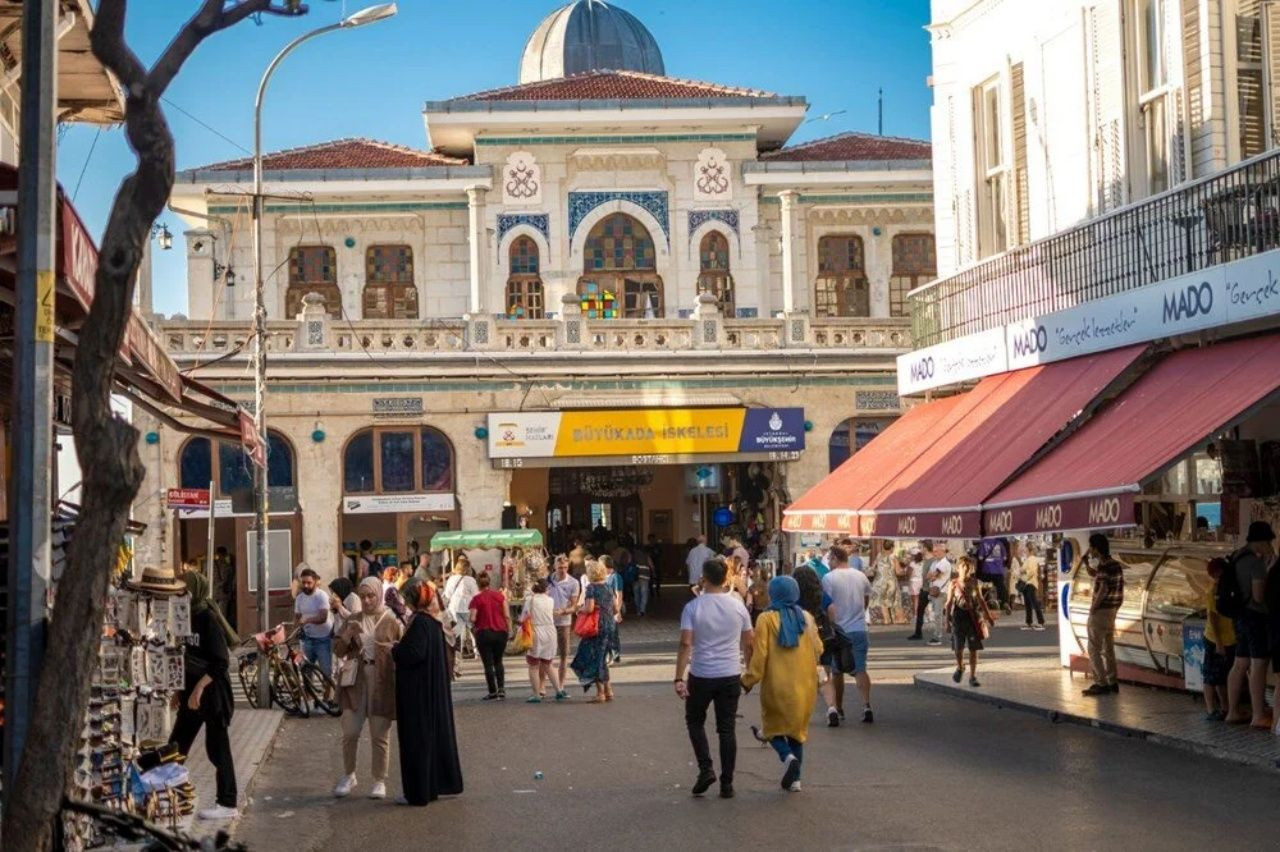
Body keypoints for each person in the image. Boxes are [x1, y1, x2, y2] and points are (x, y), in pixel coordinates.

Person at [674, 558, 753, 799]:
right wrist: (748, 670)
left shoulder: (693, 608)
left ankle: (706, 768)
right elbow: (749, 642)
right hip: (730, 673)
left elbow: (686, 643)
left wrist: (679, 677)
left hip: (702, 673)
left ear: (704, 578)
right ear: (726, 578)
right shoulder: (738, 606)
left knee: (695, 721)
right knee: (726, 729)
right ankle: (727, 783)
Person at [741, 575, 822, 793]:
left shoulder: (766, 619)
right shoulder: (806, 617)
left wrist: (748, 680)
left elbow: (760, 655)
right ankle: (796, 780)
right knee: (797, 732)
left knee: (773, 728)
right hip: (805, 685)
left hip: (777, 684)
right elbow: (819, 648)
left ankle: (787, 757)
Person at [170, 573, 239, 820]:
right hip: (190, 695)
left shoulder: (207, 619)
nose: (179, 594)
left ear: (194, 591)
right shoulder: (184, 616)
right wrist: (180, 689)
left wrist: (198, 689)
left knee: (217, 750)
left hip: (213, 696)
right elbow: (185, 655)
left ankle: (228, 804)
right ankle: (168, 797)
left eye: (183, 590)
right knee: (175, 747)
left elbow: (221, 662)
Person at [393, 579, 464, 807]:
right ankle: (429, 787)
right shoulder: (431, 623)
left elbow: (413, 654)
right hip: (428, 691)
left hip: (417, 695)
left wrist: (395, 649)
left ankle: (418, 792)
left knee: (418, 742)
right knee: (429, 740)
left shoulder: (421, 623)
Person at [332, 576, 402, 799]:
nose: (367, 601)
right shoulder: (352, 619)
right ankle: (349, 774)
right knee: (350, 731)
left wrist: (391, 648)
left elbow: (404, 649)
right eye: (363, 597)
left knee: (379, 734)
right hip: (356, 681)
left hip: (381, 680)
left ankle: (379, 780)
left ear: (379, 595)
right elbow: (338, 650)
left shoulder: (391, 620)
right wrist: (347, 635)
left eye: (371, 595)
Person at [1225, 521, 1274, 726]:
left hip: (1239, 617)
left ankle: (1232, 711)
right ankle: (1258, 715)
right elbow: (1259, 596)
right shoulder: (1255, 563)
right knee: (1258, 663)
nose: (1271, 545)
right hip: (1255, 618)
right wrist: (1268, 570)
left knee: (1240, 663)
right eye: (1269, 541)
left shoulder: (1237, 555)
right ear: (1261, 541)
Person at [821, 545, 875, 724]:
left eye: (830, 559)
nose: (828, 562)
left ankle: (839, 707)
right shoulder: (861, 576)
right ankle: (866, 705)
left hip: (838, 630)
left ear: (836, 558)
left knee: (837, 671)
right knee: (860, 668)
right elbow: (866, 598)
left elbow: (827, 604)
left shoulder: (828, 578)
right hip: (859, 628)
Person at [793, 561, 840, 726]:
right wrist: (831, 624)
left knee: (801, 677)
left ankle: (801, 712)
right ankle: (832, 708)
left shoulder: (794, 596)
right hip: (823, 637)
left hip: (802, 639)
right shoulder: (821, 594)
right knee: (825, 676)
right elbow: (832, 610)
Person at [1082, 533, 1125, 697]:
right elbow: (1097, 576)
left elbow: (1103, 588)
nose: (1090, 550)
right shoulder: (1114, 564)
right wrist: (1086, 563)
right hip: (1112, 611)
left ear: (1096, 548)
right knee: (1108, 648)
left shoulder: (1104, 567)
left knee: (1093, 648)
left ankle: (1101, 683)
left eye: (1091, 547)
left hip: (1101, 611)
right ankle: (1113, 682)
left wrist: (1093, 607)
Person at [570, 560, 616, 702]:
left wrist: (579, 609)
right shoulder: (608, 587)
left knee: (593, 658)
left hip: (596, 627)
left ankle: (600, 693)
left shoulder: (591, 588)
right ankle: (609, 691)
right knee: (602, 658)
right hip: (609, 625)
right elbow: (616, 607)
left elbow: (589, 608)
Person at [945, 556, 995, 687]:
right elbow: (949, 603)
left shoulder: (974, 583)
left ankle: (973, 676)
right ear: (958, 568)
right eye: (963, 566)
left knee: (973, 648)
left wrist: (988, 617)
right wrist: (946, 622)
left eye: (969, 566)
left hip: (972, 617)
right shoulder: (953, 583)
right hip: (958, 617)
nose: (966, 569)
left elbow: (981, 600)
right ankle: (960, 666)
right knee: (958, 648)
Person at [1202, 557, 1236, 721]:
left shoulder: (1227, 589)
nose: (1218, 579)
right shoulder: (1213, 592)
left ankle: (1225, 707)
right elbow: (1213, 619)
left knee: (1223, 676)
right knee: (1211, 675)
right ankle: (1210, 709)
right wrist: (1219, 643)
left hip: (1229, 639)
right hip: (1215, 639)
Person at [468, 572, 510, 700]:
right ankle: (502, 689)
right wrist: (508, 629)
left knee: (488, 663)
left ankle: (492, 691)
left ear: (477, 584)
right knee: (498, 661)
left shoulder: (476, 599)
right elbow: (507, 615)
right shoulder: (500, 597)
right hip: (500, 632)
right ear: (489, 582)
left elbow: (473, 618)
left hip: (483, 633)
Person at [520, 578, 560, 702]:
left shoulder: (530, 600)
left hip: (536, 632)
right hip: (550, 631)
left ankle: (536, 694)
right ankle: (559, 690)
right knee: (548, 663)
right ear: (546, 589)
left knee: (533, 665)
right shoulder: (551, 600)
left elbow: (523, 617)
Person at [546, 555, 581, 694]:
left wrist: (564, 611)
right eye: (560, 567)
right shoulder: (547, 580)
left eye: (565, 567)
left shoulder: (573, 583)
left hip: (564, 622)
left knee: (564, 655)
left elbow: (574, 607)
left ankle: (560, 686)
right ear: (554, 567)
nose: (563, 570)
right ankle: (542, 687)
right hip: (548, 622)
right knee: (546, 656)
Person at [294, 566, 333, 675]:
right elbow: (297, 617)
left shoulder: (321, 596)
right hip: (307, 640)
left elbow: (323, 618)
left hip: (323, 640)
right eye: (304, 583)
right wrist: (295, 629)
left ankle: (327, 692)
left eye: (309, 583)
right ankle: (308, 692)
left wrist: (307, 620)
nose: (306, 585)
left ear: (315, 582)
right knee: (306, 672)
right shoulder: (299, 598)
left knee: (326, 673)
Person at [444, 556, 479, 659]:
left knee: (457, 629)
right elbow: (476, 595)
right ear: (467, 568)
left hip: (454, 608)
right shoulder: (470, 580)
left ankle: (457, 652)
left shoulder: (451, 579)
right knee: (473, 629)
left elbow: (448, 594)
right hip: (467, 608)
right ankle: (477, 651)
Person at [925, 543, 953, 646]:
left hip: (941, 592)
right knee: (945, 615)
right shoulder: (935, 562)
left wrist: (933, 575)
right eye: (934, 551)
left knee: (938, 615)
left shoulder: (944, 563)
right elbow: (928, 576)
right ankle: (953, 635)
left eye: (936, 551)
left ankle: (937, 636)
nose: (934, 553)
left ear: (943, 552)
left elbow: (933, 576)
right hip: (936, 592)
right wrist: (932, 575)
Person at [976, 537, 1012, 614]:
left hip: (987, 571)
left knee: (983, 587)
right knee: (1001, 587)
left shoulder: (983, 542)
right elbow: (1005, 558)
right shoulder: (1000, 543)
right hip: (998, 571)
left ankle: (983, 604)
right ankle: (1005, 602)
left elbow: (980, 557)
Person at [1015, 543, 1046, 630]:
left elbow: (1031, 571)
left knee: (1034, 602)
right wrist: (1021, 571)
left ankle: (1040, 621)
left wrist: (1024, 575)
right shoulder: (1028, 559)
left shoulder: (1032, 559)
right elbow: (1024, 569)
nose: (1025, 551)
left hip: (1030, 583)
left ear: (1029, 550)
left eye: (1026, 550)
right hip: (1027, 583)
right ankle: (1029, 622)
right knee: (1028, 603)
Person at [602, 555, 624, 664]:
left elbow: (619, 594)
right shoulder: (603, 576)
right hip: (604, 609)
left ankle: (614, 654)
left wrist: (618, 611)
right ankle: (612, 654)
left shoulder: (615, 577)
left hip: (612, 608)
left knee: (612, 633)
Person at [907, 549, 928, 640]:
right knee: (921, 600)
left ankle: (916, 616)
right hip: (921, 581)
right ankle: (924, 616)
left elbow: (908, 574)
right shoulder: (923, 563)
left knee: (915, 600)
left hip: (914, 581)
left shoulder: (912, 564)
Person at [633, 547, 653, 616]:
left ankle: (638, 610)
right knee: (644, 594)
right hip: (645, 577)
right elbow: (651, 566)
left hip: (635, 577)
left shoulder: (633, 556)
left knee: (636, 594)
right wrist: (653, 573)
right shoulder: (646, 556)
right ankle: (642, 610)